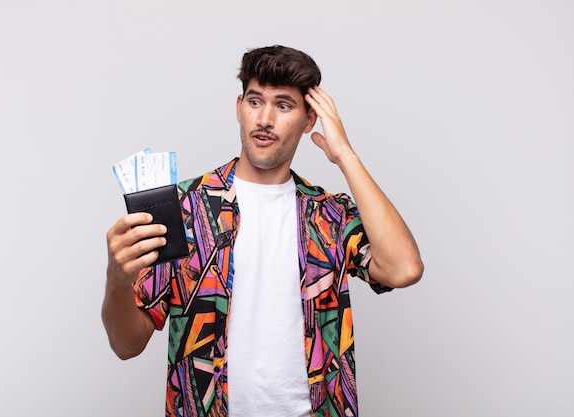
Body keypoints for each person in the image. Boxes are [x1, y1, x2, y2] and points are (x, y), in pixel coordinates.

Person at [102, 45, 423, 417]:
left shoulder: (328, 216)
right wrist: (116, 281)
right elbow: (127, 344)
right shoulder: (186, 208)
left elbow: (404, 269)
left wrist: (345, 156)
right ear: (239, 107)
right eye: (255, 101)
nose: (265, 119)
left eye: (284, 105)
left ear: (309, 120)